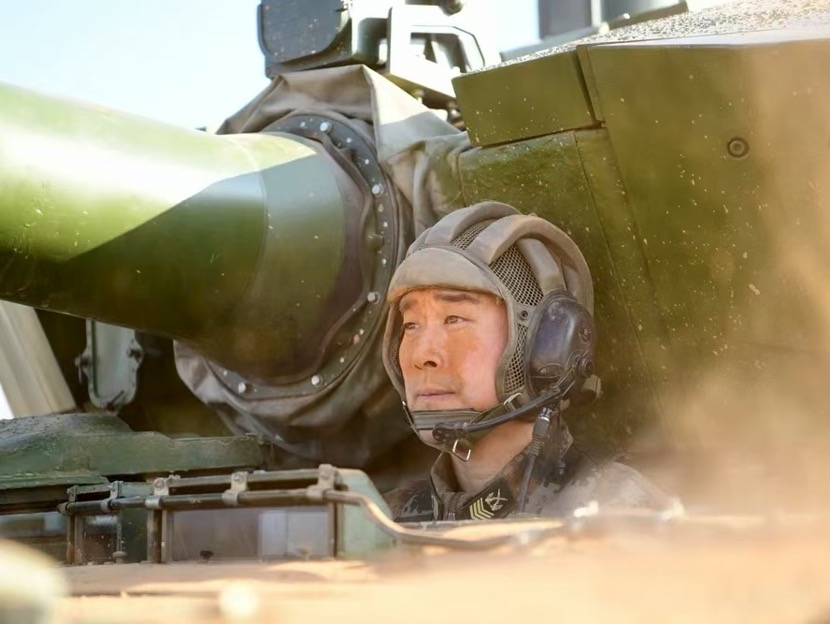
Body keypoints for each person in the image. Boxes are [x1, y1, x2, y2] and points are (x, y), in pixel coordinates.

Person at [382, 201, 670, 521]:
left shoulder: (617, 513)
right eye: (411, 325)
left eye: (454, 319)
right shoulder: (382, 519)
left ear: (542, 346)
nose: (422, 356)